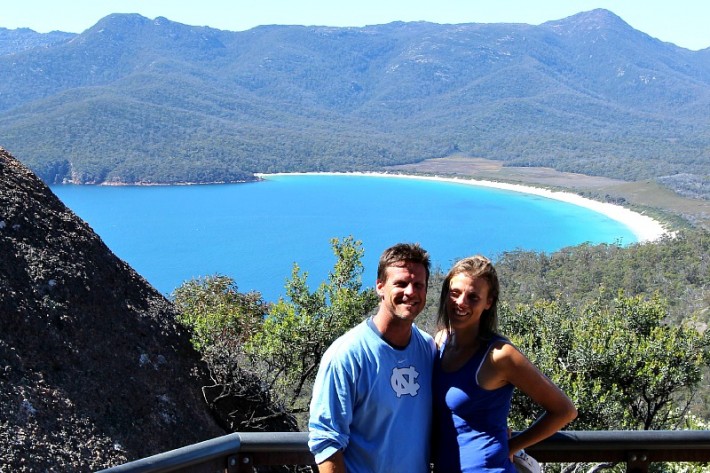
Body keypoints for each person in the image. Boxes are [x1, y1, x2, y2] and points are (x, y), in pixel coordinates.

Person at [432, 255, 577, 473]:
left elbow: (564, 411)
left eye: (473, 297)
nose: (461, 302)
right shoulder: (440, 342)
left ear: (488, 302)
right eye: (455, 293)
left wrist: (514, 445)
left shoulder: (499, 355)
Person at [308, 243, 436, 473]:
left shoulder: (427, 349)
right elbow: (326, 441)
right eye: (400, 283)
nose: (410, 292)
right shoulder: (347, 355)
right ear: (380, 286)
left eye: (418, 285)